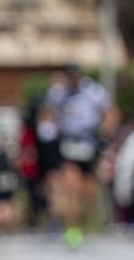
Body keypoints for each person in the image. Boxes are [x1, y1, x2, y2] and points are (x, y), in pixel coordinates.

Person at [43, 64, 114, 248]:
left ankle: (83, 220)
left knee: (86, 191)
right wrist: (50, 129)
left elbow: (110, 113)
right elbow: (47, 114)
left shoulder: (95, 92)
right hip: (68, 143)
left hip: (89, 143)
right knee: (70, 186)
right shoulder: (58, 94)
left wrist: (104, 131)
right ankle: (72, 228)